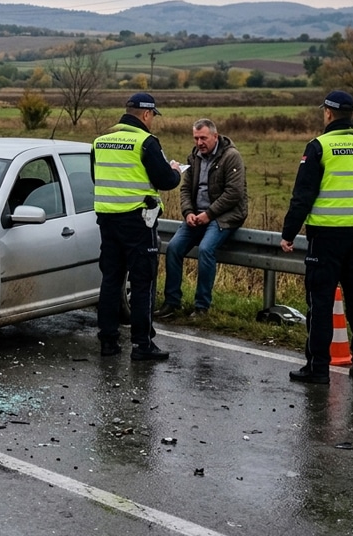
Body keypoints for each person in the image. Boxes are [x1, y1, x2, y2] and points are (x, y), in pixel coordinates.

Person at [281, 90, 353, 384]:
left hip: (325, 237)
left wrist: (289, 233)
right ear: (352, 114)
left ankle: (318, 368)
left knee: (320, 303)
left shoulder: (319, 146)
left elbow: (303, 196)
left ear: (328, 113)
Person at [92, 92, 181, 361]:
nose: (152, 120)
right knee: (142, 282)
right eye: (152, 116)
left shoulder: (100, 141)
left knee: (111, 281)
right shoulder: (145, 142)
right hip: (138, 222)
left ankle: (108, 342)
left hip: (107, 220)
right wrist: (175, 170)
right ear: (146, 114)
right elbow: (166, 180)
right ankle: (143, 344)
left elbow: (96, 177)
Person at [157, 119, 248, 318]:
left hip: (224, 216)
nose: (199, 143)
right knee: (173, 248)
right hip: (197, 215)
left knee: (206, 249)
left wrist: (209, 214)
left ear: (215, 136)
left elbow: (234, 193)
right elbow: (185, 189)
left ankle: (201, 306)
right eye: (196, 138)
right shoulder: (194, 157)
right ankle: (171, 302)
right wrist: (188, 212)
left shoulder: (231, 157)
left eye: (203, 138)